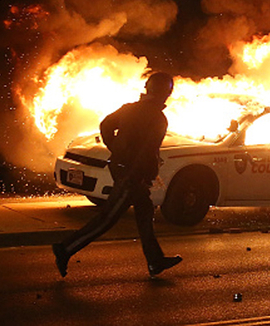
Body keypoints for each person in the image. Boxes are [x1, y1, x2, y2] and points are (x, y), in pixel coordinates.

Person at [52, 72, 182, 279]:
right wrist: (137, 172)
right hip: (132, 175)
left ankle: (155, 260)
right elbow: (146, 151)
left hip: (124, 169)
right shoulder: (157, 118)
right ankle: (65, 248)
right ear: (166, 93)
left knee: (145, 213)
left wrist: (115, 149)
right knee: (107, 218)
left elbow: (105, 125)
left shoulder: (129, 109)